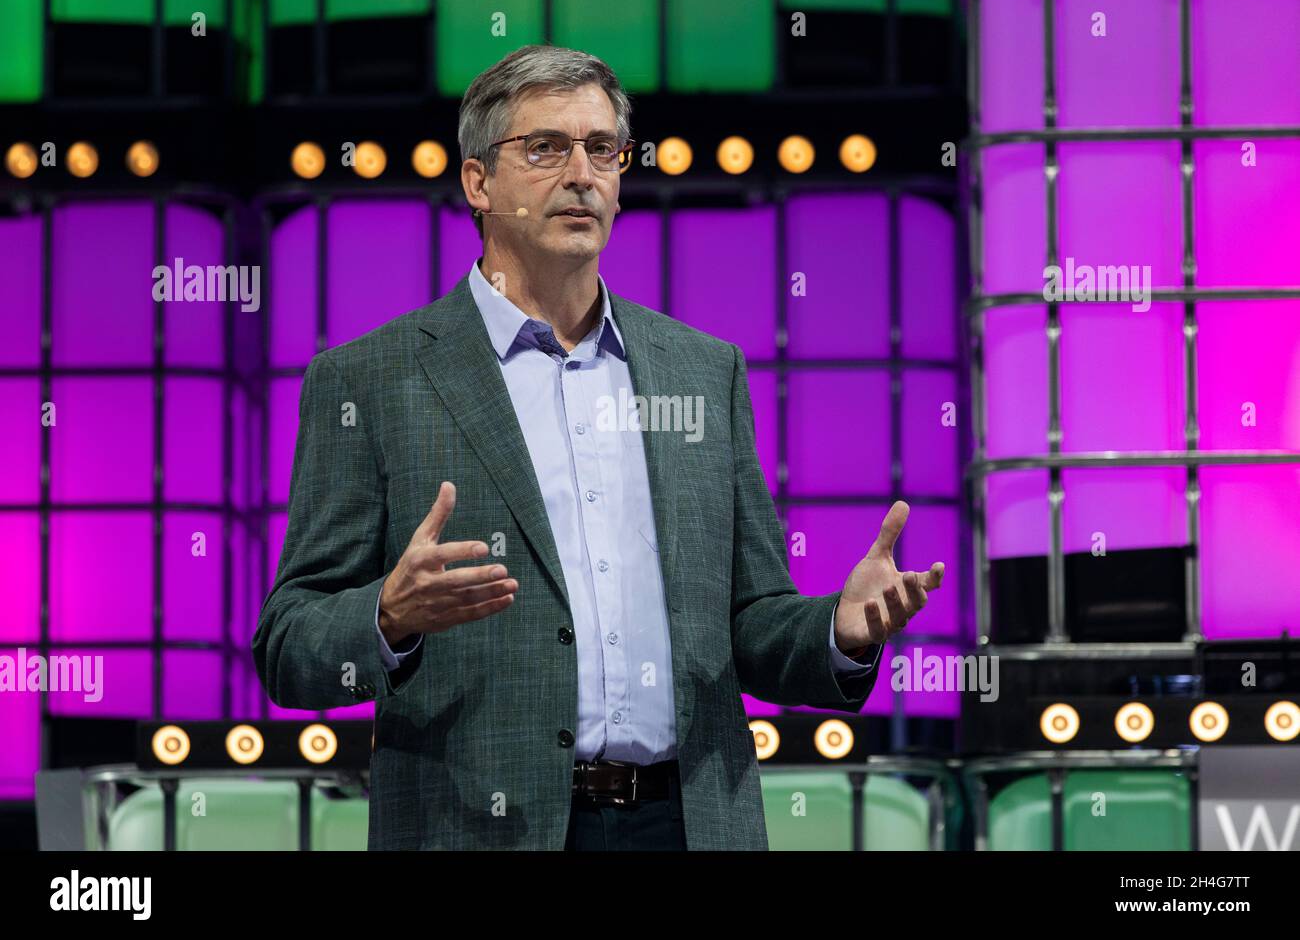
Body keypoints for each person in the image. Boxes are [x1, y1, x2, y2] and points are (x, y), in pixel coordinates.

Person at [253, 44, 944, 850]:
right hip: (482, 832)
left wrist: (839, 630)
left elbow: (749, 624)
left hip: (686, 826)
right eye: (545, 148)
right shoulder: (370, 379)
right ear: (478, 183)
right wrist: (387, 616)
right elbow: (289, 643)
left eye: (602, 149)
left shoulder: (702, 369)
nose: (581, 172)